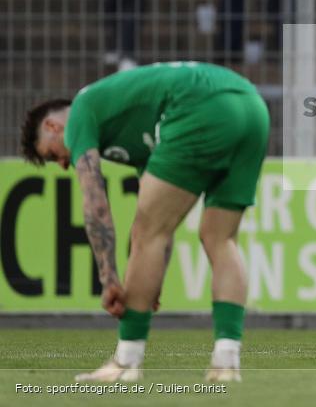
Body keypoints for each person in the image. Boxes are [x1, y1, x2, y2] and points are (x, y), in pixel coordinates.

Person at [20, 61, 271, 381]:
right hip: (251, 106)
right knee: (219, 238)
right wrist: (150, 282)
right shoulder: (130, 127)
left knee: (145, 232)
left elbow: (95, 203)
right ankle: (226, 360)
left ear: (54, 127)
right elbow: (160, 231)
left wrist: (109, 277)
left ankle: (126, 361)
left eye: (53, 155)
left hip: (200, 107)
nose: (61, 164)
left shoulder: (82, 110)